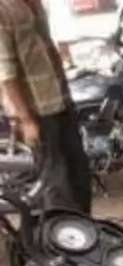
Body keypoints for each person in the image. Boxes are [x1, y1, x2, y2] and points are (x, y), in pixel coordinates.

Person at [0, 0, 90, 213]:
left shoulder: (35, 4)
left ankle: (83, 227)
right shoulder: (4, 9)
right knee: (57, 184)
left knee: (79, 175)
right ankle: (62, 231)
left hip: (60, 102)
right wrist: (26, 120)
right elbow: (6, 74)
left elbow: (48, 48)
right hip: (37, 112)